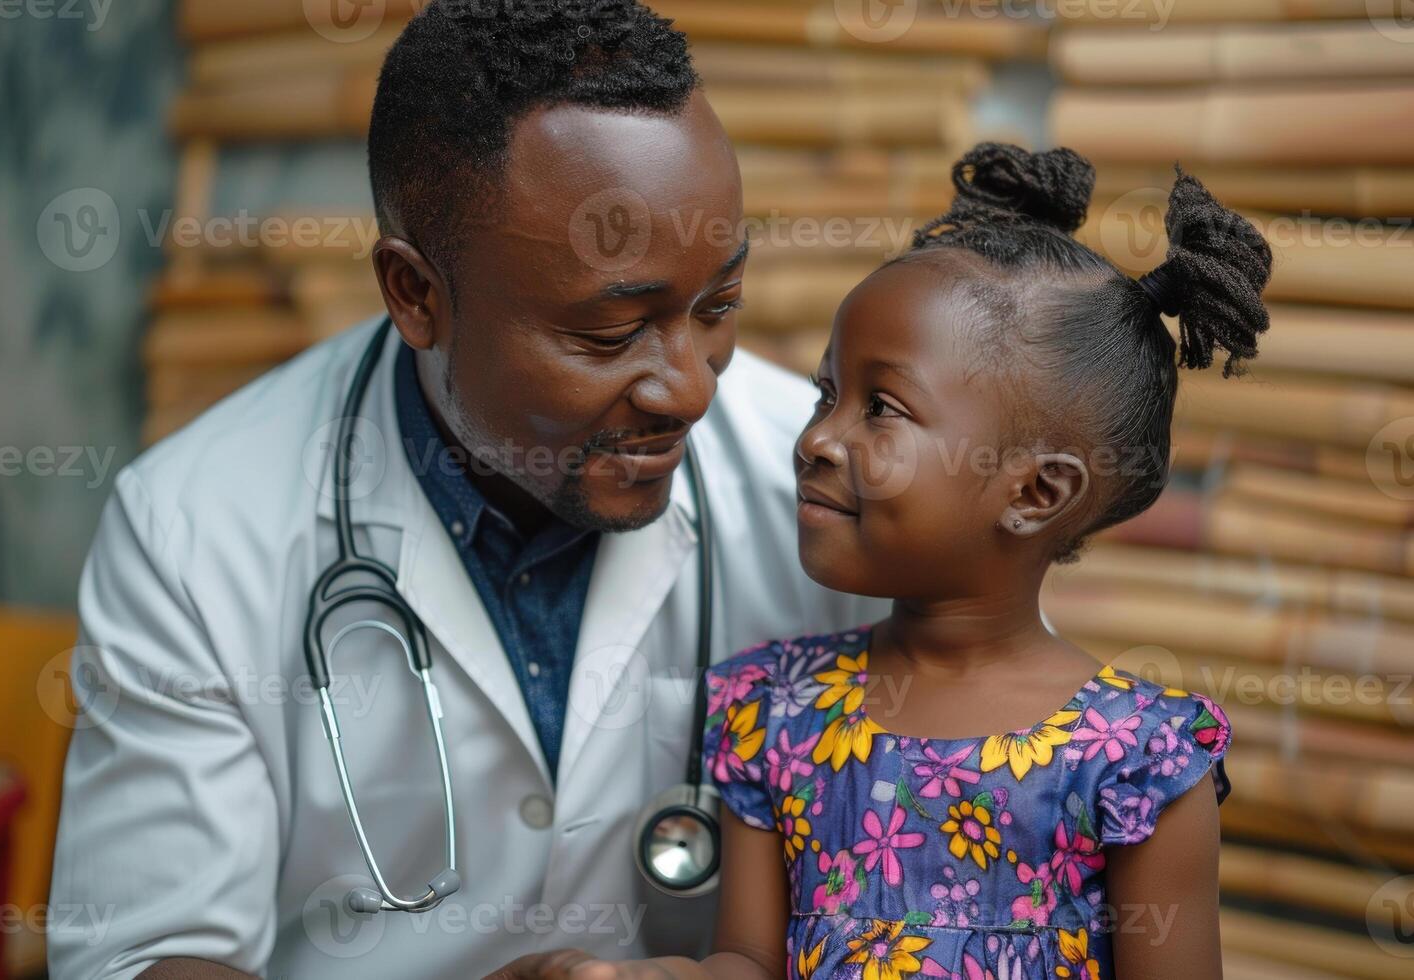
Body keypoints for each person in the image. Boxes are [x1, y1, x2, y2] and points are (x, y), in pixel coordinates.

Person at [45, 3, 885, 977]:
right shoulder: (193, 530)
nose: (691, 387)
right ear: (416, 293)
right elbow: (151, 954)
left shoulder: (834, 490)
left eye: (718, 307)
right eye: (611, 336)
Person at [562, 143, 1268, 978]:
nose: (817, 437)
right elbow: (745, 962)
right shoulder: (776, 713)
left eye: (881, 408)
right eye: (828, 395)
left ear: (1037, 492)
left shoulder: (1138, 761)